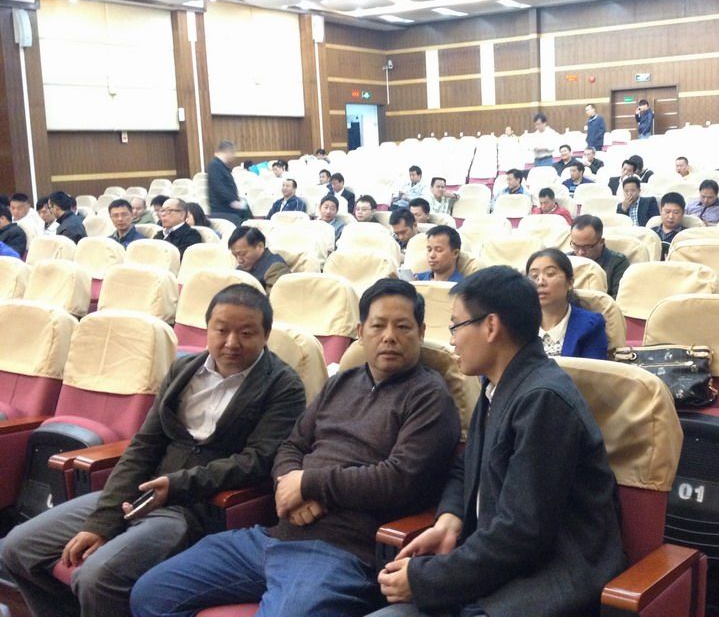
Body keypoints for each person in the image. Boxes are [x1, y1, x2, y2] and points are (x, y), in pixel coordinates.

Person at [132, 280, 460, 617]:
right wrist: (289, 486)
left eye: (402, 326)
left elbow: (399, 479)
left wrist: (308, 484)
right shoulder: (341, 383)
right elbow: (292, 445)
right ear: (361, 332)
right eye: (378, 326)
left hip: (341, 552)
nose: (389, 336)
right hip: (274, 536)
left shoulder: (429, 397)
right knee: (150, 594)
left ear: (421, 332)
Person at [2, 284, 306, 617]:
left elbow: (256, 461)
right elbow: (145, 444)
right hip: (140, 492)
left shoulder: (283, 385)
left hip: (193, 507)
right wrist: (103, 520)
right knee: (16, 548)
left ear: (265, 335)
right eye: (221, 330)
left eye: (246, 333)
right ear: (208, 329)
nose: (231, 343)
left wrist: (176, 485)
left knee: (96, 577)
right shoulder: (184, 370)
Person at [372, 267, 625, 617]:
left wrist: (427, 578)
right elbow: (466, 467)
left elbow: (523, 533)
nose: (452, 341)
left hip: (544, 582)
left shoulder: (543, 399)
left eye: (456, 326)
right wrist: (449, 519)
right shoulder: (498, 384)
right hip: (492, 570)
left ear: (491, 326)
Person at [526, 248, 607, 359]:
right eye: (534, 276)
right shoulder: (518, 324)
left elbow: (594, 369)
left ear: (570, 283)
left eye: (550, 274)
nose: (540, 282)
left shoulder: (590, 325)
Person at [570, 215, 629, 298]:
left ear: (601, 242)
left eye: (587, 247)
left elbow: (619, 299)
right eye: (576, 246)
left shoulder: (617, 263)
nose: (580, 252)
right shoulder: (567, 260)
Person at [229, 226, 290, 295]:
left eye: (243, 254)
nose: (239, 260)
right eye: (235, 255)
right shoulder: (240, 269)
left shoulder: (275, 267)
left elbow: (276, 298)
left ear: (260, 246)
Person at [207, 140, 246, 226]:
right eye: (233, 153)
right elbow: (219, 187)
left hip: (227, 210)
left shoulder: (220, 165)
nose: (233, 156)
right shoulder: (215, 165)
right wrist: (232, 201)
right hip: (223, 211)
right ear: (227, 152)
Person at [653, 192, 686, 258]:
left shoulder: (687, 235)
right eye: (667, 212)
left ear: (683, 213)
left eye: (676, 212)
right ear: (660, 211)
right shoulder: (651, 233)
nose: (671, 216)